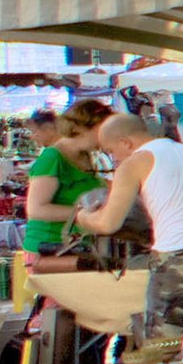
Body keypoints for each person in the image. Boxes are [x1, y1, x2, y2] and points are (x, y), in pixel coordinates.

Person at [88, 112, 183, 335]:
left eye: (110, 152)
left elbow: (108, 224)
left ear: (124, 142)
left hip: (178, 256)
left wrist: (82, 217)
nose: (113, 159)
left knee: (164, 343)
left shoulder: (134, 163)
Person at [19, 102, 113, 256]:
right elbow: (36, 210)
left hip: (77, 247)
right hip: (50, 250)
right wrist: (83, 214)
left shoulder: (86, 156)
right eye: (104, 129)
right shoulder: (52, 157)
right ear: (81, 128)